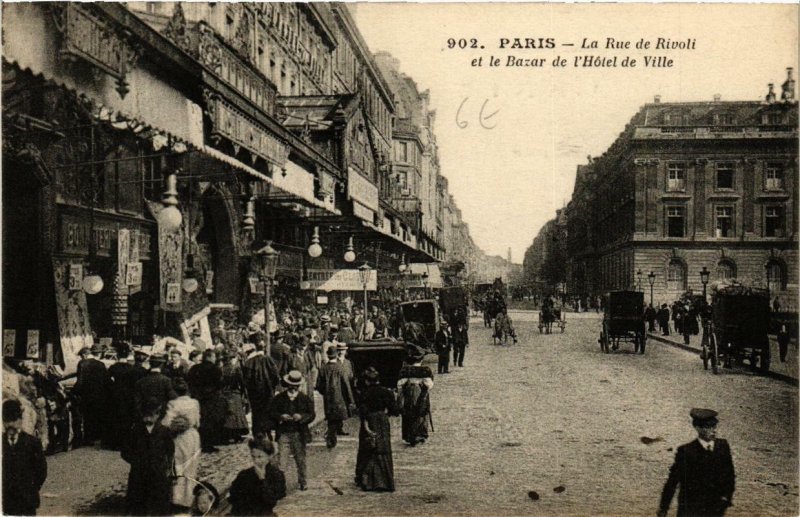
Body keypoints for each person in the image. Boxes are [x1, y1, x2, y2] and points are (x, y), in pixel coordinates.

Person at [658, 408, 736, 517]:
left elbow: (729, 474)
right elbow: (673, 481)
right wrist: (663, 508)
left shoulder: (722, 446)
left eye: (714, 426)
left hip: (715, 508)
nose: (713, 430)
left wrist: (726, 497)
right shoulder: (686, 451)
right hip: (691, 508)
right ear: (698, 428)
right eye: (708, 427)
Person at [122, 398, 175, 516]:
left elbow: (170, 451)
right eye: (146, 416)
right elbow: (125, 451)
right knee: (139, 506)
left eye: (152, 415)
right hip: (139, 475)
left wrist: (168, 468)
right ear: (141, 415)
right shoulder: (135, 431)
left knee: (159, 506)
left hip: (158, 474)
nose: (148, 419)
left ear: (158, 414)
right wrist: (136, 461)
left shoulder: (164, 431)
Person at [269, 370, 315, 491]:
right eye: (291, 386)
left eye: (296, 386)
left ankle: (303, 482)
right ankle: (280, 486)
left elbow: (311, 414)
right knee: (282, 463)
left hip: (299, 434)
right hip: (283, 434)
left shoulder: (305, 399)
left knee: (300, 460)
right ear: (287, 384)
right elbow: (272, 412)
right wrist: (280, 417)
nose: (293, 388)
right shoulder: (279, 398)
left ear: (299, 386)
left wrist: (301, 417)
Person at [355, 367, 399, 492]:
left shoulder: (364, 393)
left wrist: (365, 423)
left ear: (367, 381)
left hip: (369, 421)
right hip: (383, 421)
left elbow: (362, 411)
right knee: (383, 448)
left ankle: (366, 480)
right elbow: (394, 410)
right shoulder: (386, 392)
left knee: (367, 448)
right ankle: (386, 480)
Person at [161, 378, 202, 511]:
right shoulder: (194, 402)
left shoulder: (173, 404)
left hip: (179, 438)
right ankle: (189, 497)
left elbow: (166, 423)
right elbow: (197, 421)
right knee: (191, 466)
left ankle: (177, 498)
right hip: (193, 436)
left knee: (178, 466)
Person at [3, 399, 48, 515]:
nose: (10, 424)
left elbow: (41, 470)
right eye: (7, 420)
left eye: (14, 420)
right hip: (6, 503)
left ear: (20, 420)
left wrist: (31, 488)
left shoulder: (32, 443)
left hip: (27, 500)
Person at [228, 437, 287, 516]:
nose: (256, 461)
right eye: (253, 457)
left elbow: (271, 499)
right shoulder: (244, 474)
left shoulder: (276, 475)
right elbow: (232, 497)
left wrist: (262, 479)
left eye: (260, 457)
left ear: (270, 456)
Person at [316, 347, 356, 448]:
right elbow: (346, 384)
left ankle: (331, 437)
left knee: (331, 418)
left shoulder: (323, 368)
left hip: (328, 398)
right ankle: (331, 438)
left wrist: (325, 392)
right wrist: (351, 399)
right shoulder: (340, 368)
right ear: (336, 354)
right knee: (337, 417)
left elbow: (319, 385)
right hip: (339, 396)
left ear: (328, 355)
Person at [242, 340, 281, 439]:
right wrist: (275, 387)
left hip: (255, 393)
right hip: (268, 391)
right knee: (269, 410)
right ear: (263, 348)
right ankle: (270, 432)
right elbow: (275, 375)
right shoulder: (268, 360)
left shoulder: (249, 362)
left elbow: (246, 380)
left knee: (256, 413)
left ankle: (259, 433)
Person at [73, 345, 111, 445]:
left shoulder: (82, 364)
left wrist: (74, 391)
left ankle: (88, 439)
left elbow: (80, 381)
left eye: (81, 356)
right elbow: (107, 381)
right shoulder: (101, 364)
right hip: (100, 394)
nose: (81, 358)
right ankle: (98, 437)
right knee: (98, 415)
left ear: (85, 355)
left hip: (87, 395)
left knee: (87, 417)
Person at [397, 347, 434, 446]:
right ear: (421, 360)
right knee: (421, 412)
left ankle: (409, 435)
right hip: (421, 392)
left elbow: (400, 384)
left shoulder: (405, 371)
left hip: (408, 394)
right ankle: (420, 434)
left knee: (409, 413)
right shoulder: (424, 371)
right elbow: (430, 384)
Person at [219, 351, 249, 443]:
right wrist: (245, 395)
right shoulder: (236, 369)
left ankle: (227, 435)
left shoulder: (221, 369)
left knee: (227, 415)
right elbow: (242, 383)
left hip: (224, 393)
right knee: (236, 415)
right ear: (230, 359)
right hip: (235, 393)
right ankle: (237, 435)